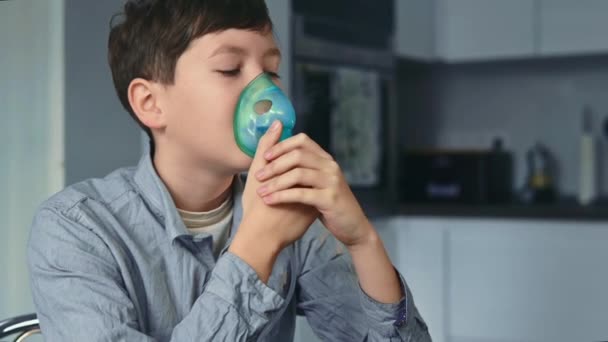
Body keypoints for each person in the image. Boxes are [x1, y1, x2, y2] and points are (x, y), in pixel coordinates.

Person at [27, 0, 431, 340]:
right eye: (229, 69)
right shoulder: (76, 228)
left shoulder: (293, 217)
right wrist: (256, 246)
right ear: (150, 103)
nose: (267, 95)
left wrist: (362, 241)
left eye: (271, 71)